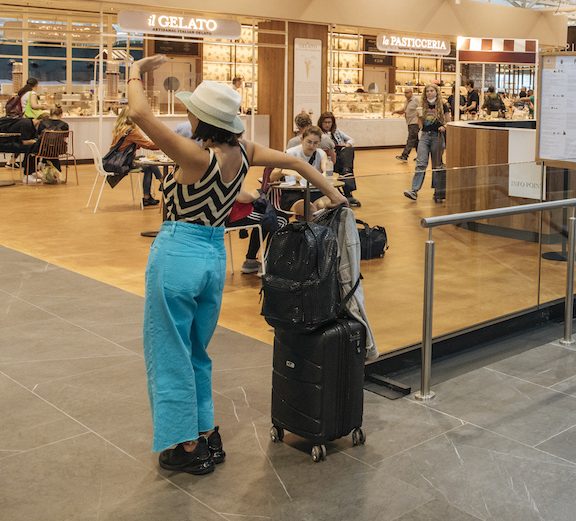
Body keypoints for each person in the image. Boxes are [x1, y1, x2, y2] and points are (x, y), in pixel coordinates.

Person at [126, 55, 344, 475]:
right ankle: (205, 431)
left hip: (177, 255)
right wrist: (336, 199)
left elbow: (138, 111)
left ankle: (185, 445)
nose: (186, 112)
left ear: (200, 118)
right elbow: (298, 163)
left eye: (191, 108)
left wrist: (135, 70)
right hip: (210, 260)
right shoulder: (241, 152)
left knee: (169, 351)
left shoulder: (193, 156)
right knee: (196, 352)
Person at [105, 106, 162, 202]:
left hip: (117, 161)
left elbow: (122, 146)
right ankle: (162, 182)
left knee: (148, 165)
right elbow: (147, 145)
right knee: (150, 164)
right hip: (125, 163)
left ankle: (148, 197)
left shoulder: (119, 129)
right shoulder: (132, 131)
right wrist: (163, 145)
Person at [404, 83, 450, 203]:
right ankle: (414, 190)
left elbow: (448, 122)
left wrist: (443, 127)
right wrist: (419, 117)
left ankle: (437, 192)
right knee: (421, 162)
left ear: (436, 92)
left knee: (436, 165)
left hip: (437, 136)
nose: (429, 93)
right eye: (427, 91)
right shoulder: (422, 105)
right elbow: (420, 124)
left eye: (431, 91)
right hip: (424, 136)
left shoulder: (443, 106)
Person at [24, 105, 70, 181]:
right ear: (61, 113)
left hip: (43, 150)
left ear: (50, 113)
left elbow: (39, 138)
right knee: (53, 150)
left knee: (34, 150)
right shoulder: (64, 125)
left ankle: (34, 170)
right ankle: (55, 173)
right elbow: (63, 140)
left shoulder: (43, 123)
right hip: (59, 150)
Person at [394, 88, 420, 162]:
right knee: (415, 141)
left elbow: (423, 108)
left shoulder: (417, 100)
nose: (405, 94)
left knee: (411, 139)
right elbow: (404, 111)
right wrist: (397, 112)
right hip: (409, 122)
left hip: (415, 123)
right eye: (404, 93)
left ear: (411, 92)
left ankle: (404, 155)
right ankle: (421, 156)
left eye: (407, 92)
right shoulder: (406, 101)